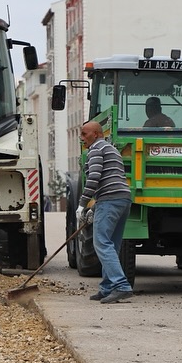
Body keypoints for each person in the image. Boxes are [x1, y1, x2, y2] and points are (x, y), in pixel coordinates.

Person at [77, 120, 134, 304]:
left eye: (85, 134)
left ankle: (121, 286)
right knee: (112, 245)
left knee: (101, 243)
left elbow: (94, 177)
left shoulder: (95, 149)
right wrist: (95, 208)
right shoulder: (111, 149)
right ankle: (107, 288)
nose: (82, 138)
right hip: (123, 199)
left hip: (110, 200)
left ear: (96, 134)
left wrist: (82, 204)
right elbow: (110, 178)